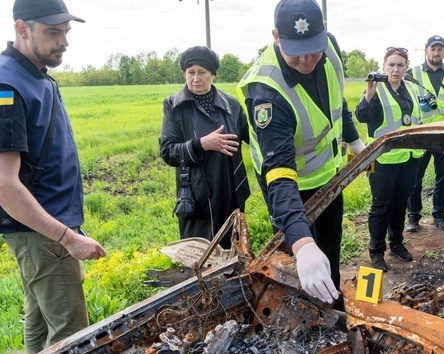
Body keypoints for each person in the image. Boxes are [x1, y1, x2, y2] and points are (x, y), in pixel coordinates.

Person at [237, 0, 365, 305]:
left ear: (324, 31)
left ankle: (333, 306)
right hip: (288, 187)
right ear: (276, 37)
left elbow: (338, 102)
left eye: (313, 48)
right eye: (296, 51)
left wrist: (355, 141)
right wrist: (303, 245)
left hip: (329, 176)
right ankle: (303, 317)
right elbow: (279, 176)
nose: (307, 59)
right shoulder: (266, 91)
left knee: (330, 247)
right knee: (300, 263)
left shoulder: (330, 49)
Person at [0, 0, 107, 354]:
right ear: (21, 28)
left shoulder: (33, 75)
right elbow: (5, 185)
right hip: (43, 233)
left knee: (41, 325)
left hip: (46, 228)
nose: (62, 41)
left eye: (65, 32)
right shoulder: (8, 87)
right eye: (52, 32)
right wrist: (65, 237)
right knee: (73, 339)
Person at [159, 46, 250, 249]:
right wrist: (201, 144)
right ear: (185, 73)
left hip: (231, 191)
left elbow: (253, 138)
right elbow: (167, 151)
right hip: (196, 195)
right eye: (191, 72)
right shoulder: (174, 106)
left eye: (202, 72)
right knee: (200, 255)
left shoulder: (232, 105)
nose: (196, 78)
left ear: (212, 74)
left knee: (233, 250)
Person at [355, 47, 423, 272]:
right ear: (384, 66)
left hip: (409, 158)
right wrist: (369, 93)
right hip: (383, 159)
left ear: (406, 67)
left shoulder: (410, 88)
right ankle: (376, 251)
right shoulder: (377, 88)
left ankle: (396, 243)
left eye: (400, 65)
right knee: (381, 206)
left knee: (400, 203)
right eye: (391, 64)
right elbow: (362, 116)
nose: (396, 69)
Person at [404, 35, 444, 233]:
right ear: (426, 50)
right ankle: (413, 217)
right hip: (420, 135)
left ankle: (439, 215)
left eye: (440, 49)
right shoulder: (411, 74)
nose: (436, 52)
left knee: (443, 177)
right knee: (414, 178)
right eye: (433, 49)